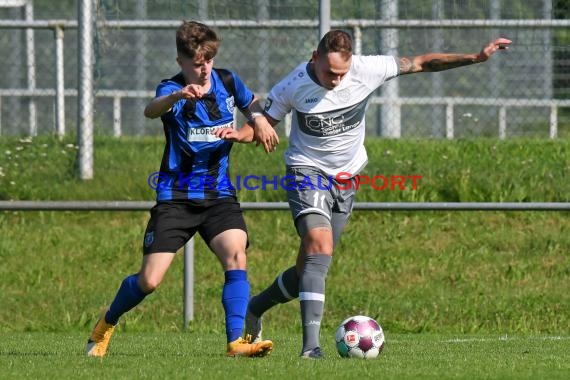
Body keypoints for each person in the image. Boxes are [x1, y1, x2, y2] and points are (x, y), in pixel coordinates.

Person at [241, 30, 512, 358]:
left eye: (342, 73)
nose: (336, 81)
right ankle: (310, 349)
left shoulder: (368, 69)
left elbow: (424, 63)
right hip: (305, 173)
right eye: (329, 72)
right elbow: (257, 126)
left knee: (309, 272)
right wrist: (249, 125)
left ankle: (255, 307)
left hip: (347, 180)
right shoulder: (292, 84)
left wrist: (476, 57)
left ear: (351, 63)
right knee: (320, 245)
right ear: (314, 57)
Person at [85, 21, 273, 358]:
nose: (204, 70)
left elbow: (252, 104)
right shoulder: (169, 88)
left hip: (218, 195)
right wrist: (176, 95)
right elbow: (150, 110)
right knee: (150, 281)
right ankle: (106, 323)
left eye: (209, 61)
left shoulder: (227, 81)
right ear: (180, 62)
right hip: (176, 199)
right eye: (197, 63)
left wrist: (255, 121)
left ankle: (236, 342)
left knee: (236, 254)